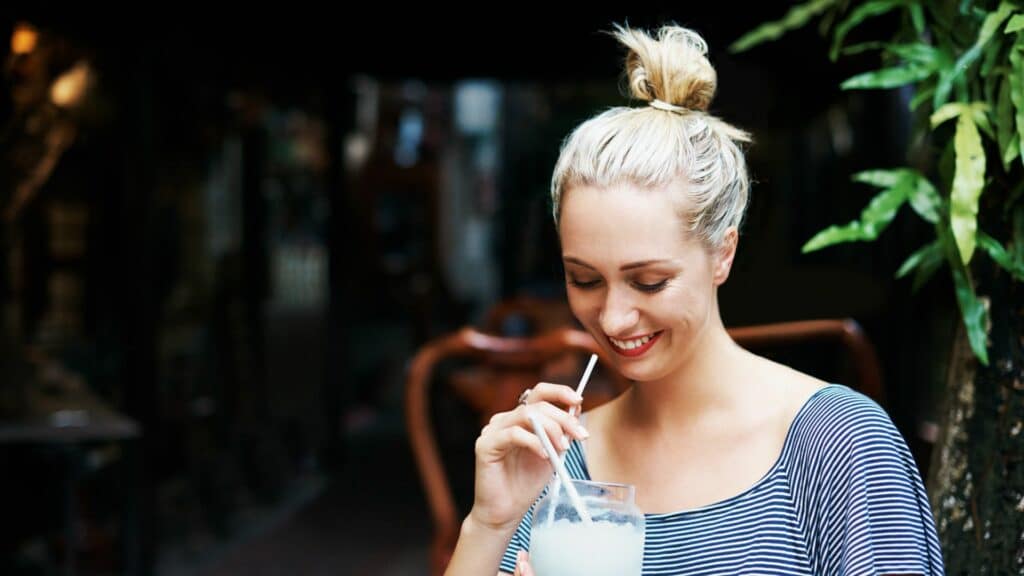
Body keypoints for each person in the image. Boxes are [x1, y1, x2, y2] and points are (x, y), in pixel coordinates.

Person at [442, 24, 944, 575]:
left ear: (723, 253)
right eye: (584, 280)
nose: (611, 317)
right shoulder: (558, 465)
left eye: (649, 281)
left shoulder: (842, 448)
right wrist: (488, 523)